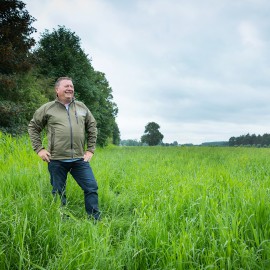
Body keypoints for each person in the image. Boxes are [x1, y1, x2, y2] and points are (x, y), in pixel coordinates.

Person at [28, 76, 100, 220]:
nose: (70, 88)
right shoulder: (48, 108)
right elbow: (33, 127)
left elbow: (92, 127)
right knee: (58, 192)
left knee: (91, 188)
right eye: (66, 86)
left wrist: (90, 149)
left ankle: (94, 221)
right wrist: (39, 149)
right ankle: (62, 221)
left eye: (72, 86)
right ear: (57, 90)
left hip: (80, 160)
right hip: (56, 160)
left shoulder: (81, 107)